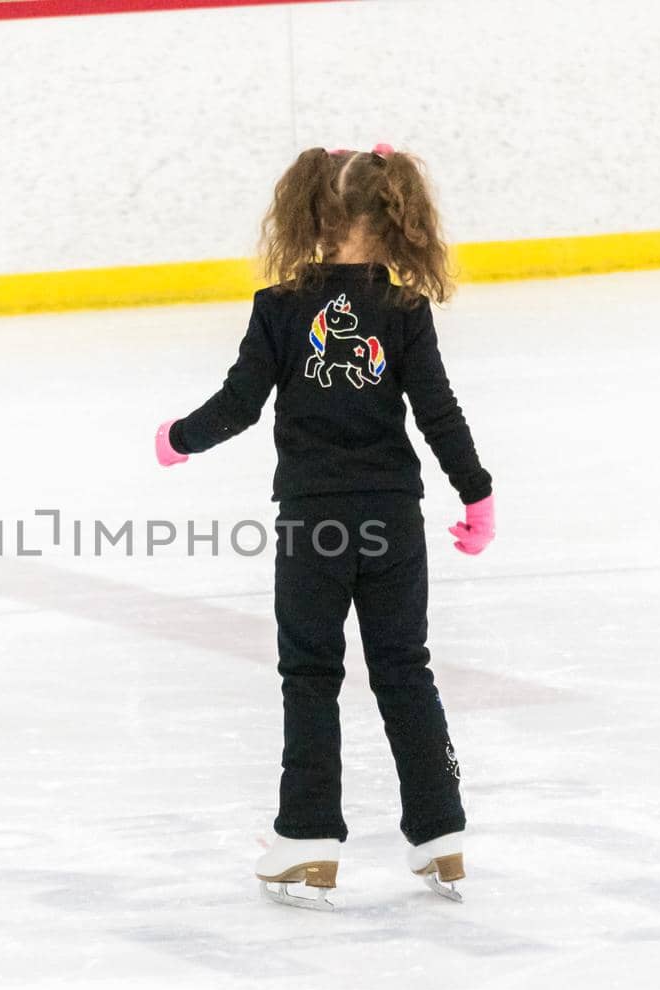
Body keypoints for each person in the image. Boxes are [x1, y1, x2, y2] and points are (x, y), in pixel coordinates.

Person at [153, 144, 495, 908]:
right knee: (406, 668)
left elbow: (239, 403)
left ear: (311, 213)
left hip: (315, 527)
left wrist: (178, 438)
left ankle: (307, 839)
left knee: (311, 674)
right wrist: (477, 495)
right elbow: (438, 413)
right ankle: (441, 834)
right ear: (394, 218)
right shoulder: (406, 311)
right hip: (392, 522)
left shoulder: (281, 308)